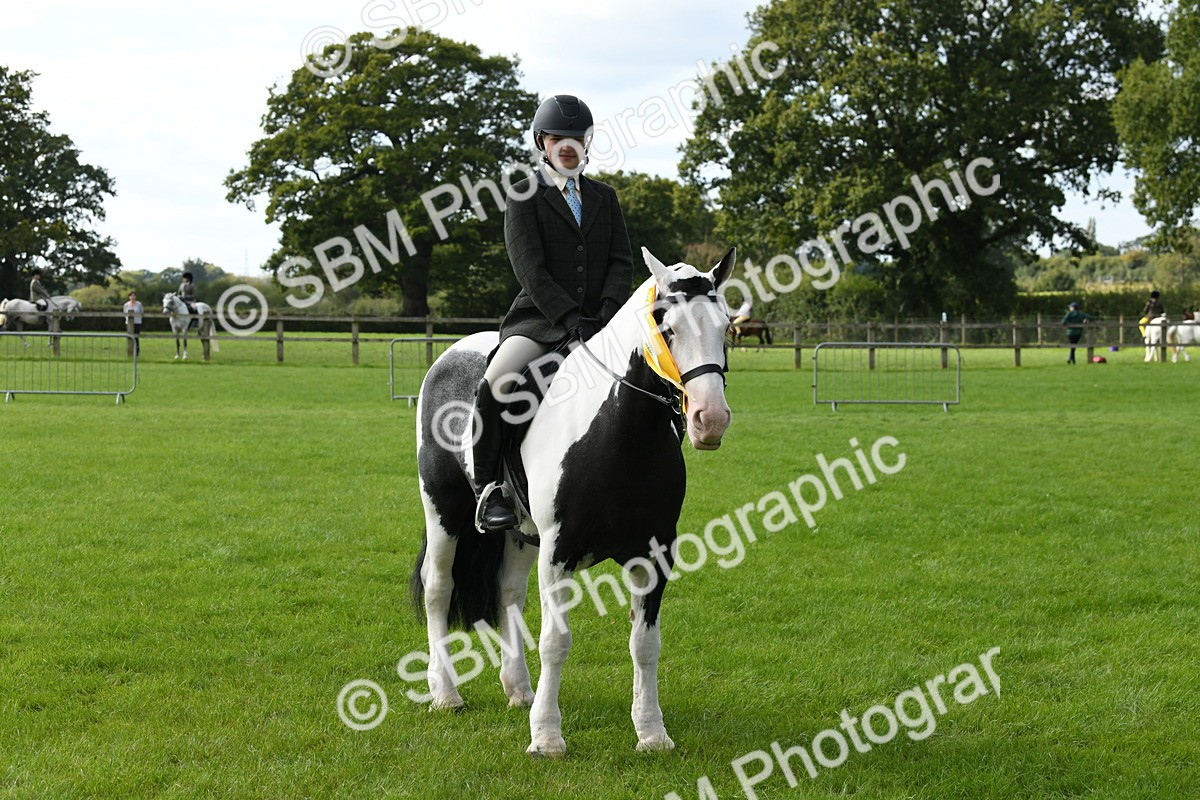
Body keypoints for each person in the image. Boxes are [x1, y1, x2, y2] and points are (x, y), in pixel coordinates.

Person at [470, 94, 633, 533]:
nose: (569, 146)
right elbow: (531, 269)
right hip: (539, 321)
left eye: (577, 139)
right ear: (542, 142)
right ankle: (489, 491)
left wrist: (607, 313)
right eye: (559, 138)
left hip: (601, 324)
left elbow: (622, 261)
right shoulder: (524, 194)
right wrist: (568, 320)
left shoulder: (605, 196)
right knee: (498, 381)